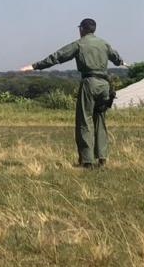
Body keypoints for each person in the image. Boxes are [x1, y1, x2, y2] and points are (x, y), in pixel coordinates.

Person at [20, 18, 124, 169]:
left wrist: (34, 66)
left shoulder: (79, 44)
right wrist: (120, 62)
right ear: (94, 29)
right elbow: (117, 59)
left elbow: (58, 56)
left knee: (85, 121)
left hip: (90, 83)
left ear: (82, 29)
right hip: (105, 85)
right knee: (100, 120)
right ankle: (102, 158)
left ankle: (87, 161)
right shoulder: (104, 43)